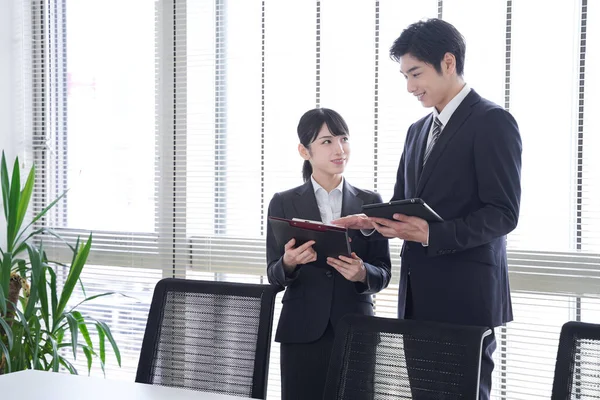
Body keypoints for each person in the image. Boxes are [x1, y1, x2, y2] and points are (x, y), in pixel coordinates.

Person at [332, 19, 522, 400]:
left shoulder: (492, 122)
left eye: (415, 73)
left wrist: (432, 234)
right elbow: (405, 205)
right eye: (404, 75)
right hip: (418, 299)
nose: (410, 87)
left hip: (466, 300)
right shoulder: (417, 131)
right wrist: (371, 222)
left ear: (448, 62)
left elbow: (503, 213)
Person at [266, 108, 391, 400]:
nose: (339, 149)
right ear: (303, 150)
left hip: (356, 328)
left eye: (343, 139)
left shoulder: (370, 202)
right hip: (302, 329)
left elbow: (383, 272)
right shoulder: (283, 203)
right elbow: (273, 273)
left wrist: (363, 273)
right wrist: (289, 263)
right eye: (326, 141)